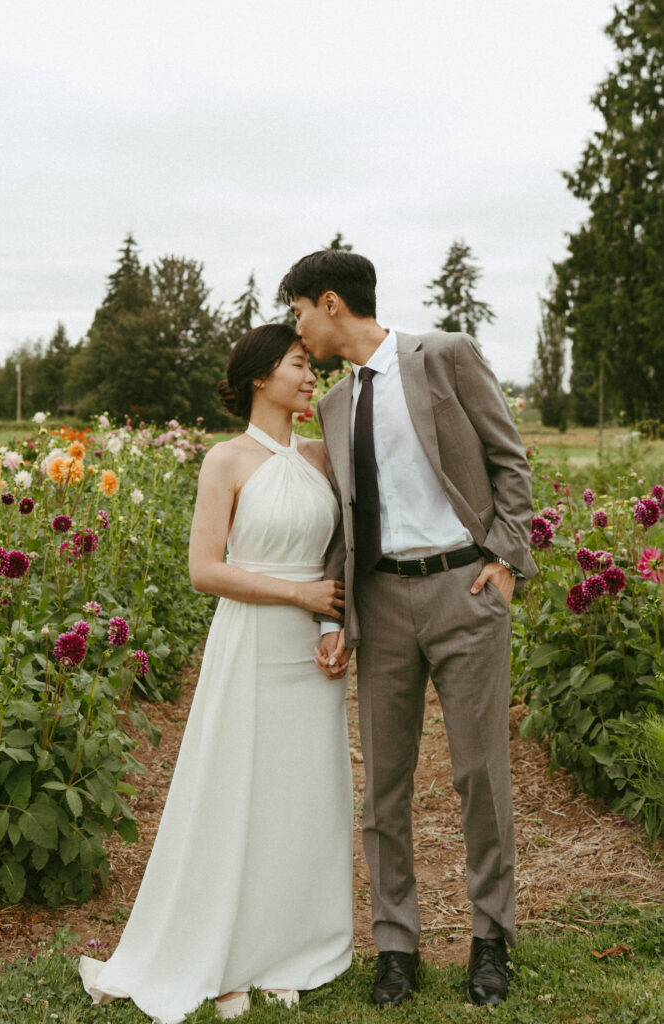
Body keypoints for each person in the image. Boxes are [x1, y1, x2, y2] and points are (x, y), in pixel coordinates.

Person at [278, 249, 536, 1008]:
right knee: (382, 787)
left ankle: (490, 941)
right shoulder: (331, 404)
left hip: (465, 587)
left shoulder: (444, 356)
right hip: (382, 603)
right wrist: (336, 613)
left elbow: (508, 459)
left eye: (298, 310)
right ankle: (397, 946)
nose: (296, 326)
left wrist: (505, 559)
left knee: (478, 775)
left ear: (330, 303)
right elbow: (345, 521)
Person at [79, 324, 353, 1023]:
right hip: (252, 638)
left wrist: (331, 624)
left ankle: (288, 946)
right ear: (261, 376)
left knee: (303, 794)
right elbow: (205, 571)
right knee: (237, 788)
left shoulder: (324, 457)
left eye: (309, 366)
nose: (308, 376)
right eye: (297, 365)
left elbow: (337, 558)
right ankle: (221, 951)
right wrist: (297, 597)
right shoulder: (225, 461)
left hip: (312, 650)